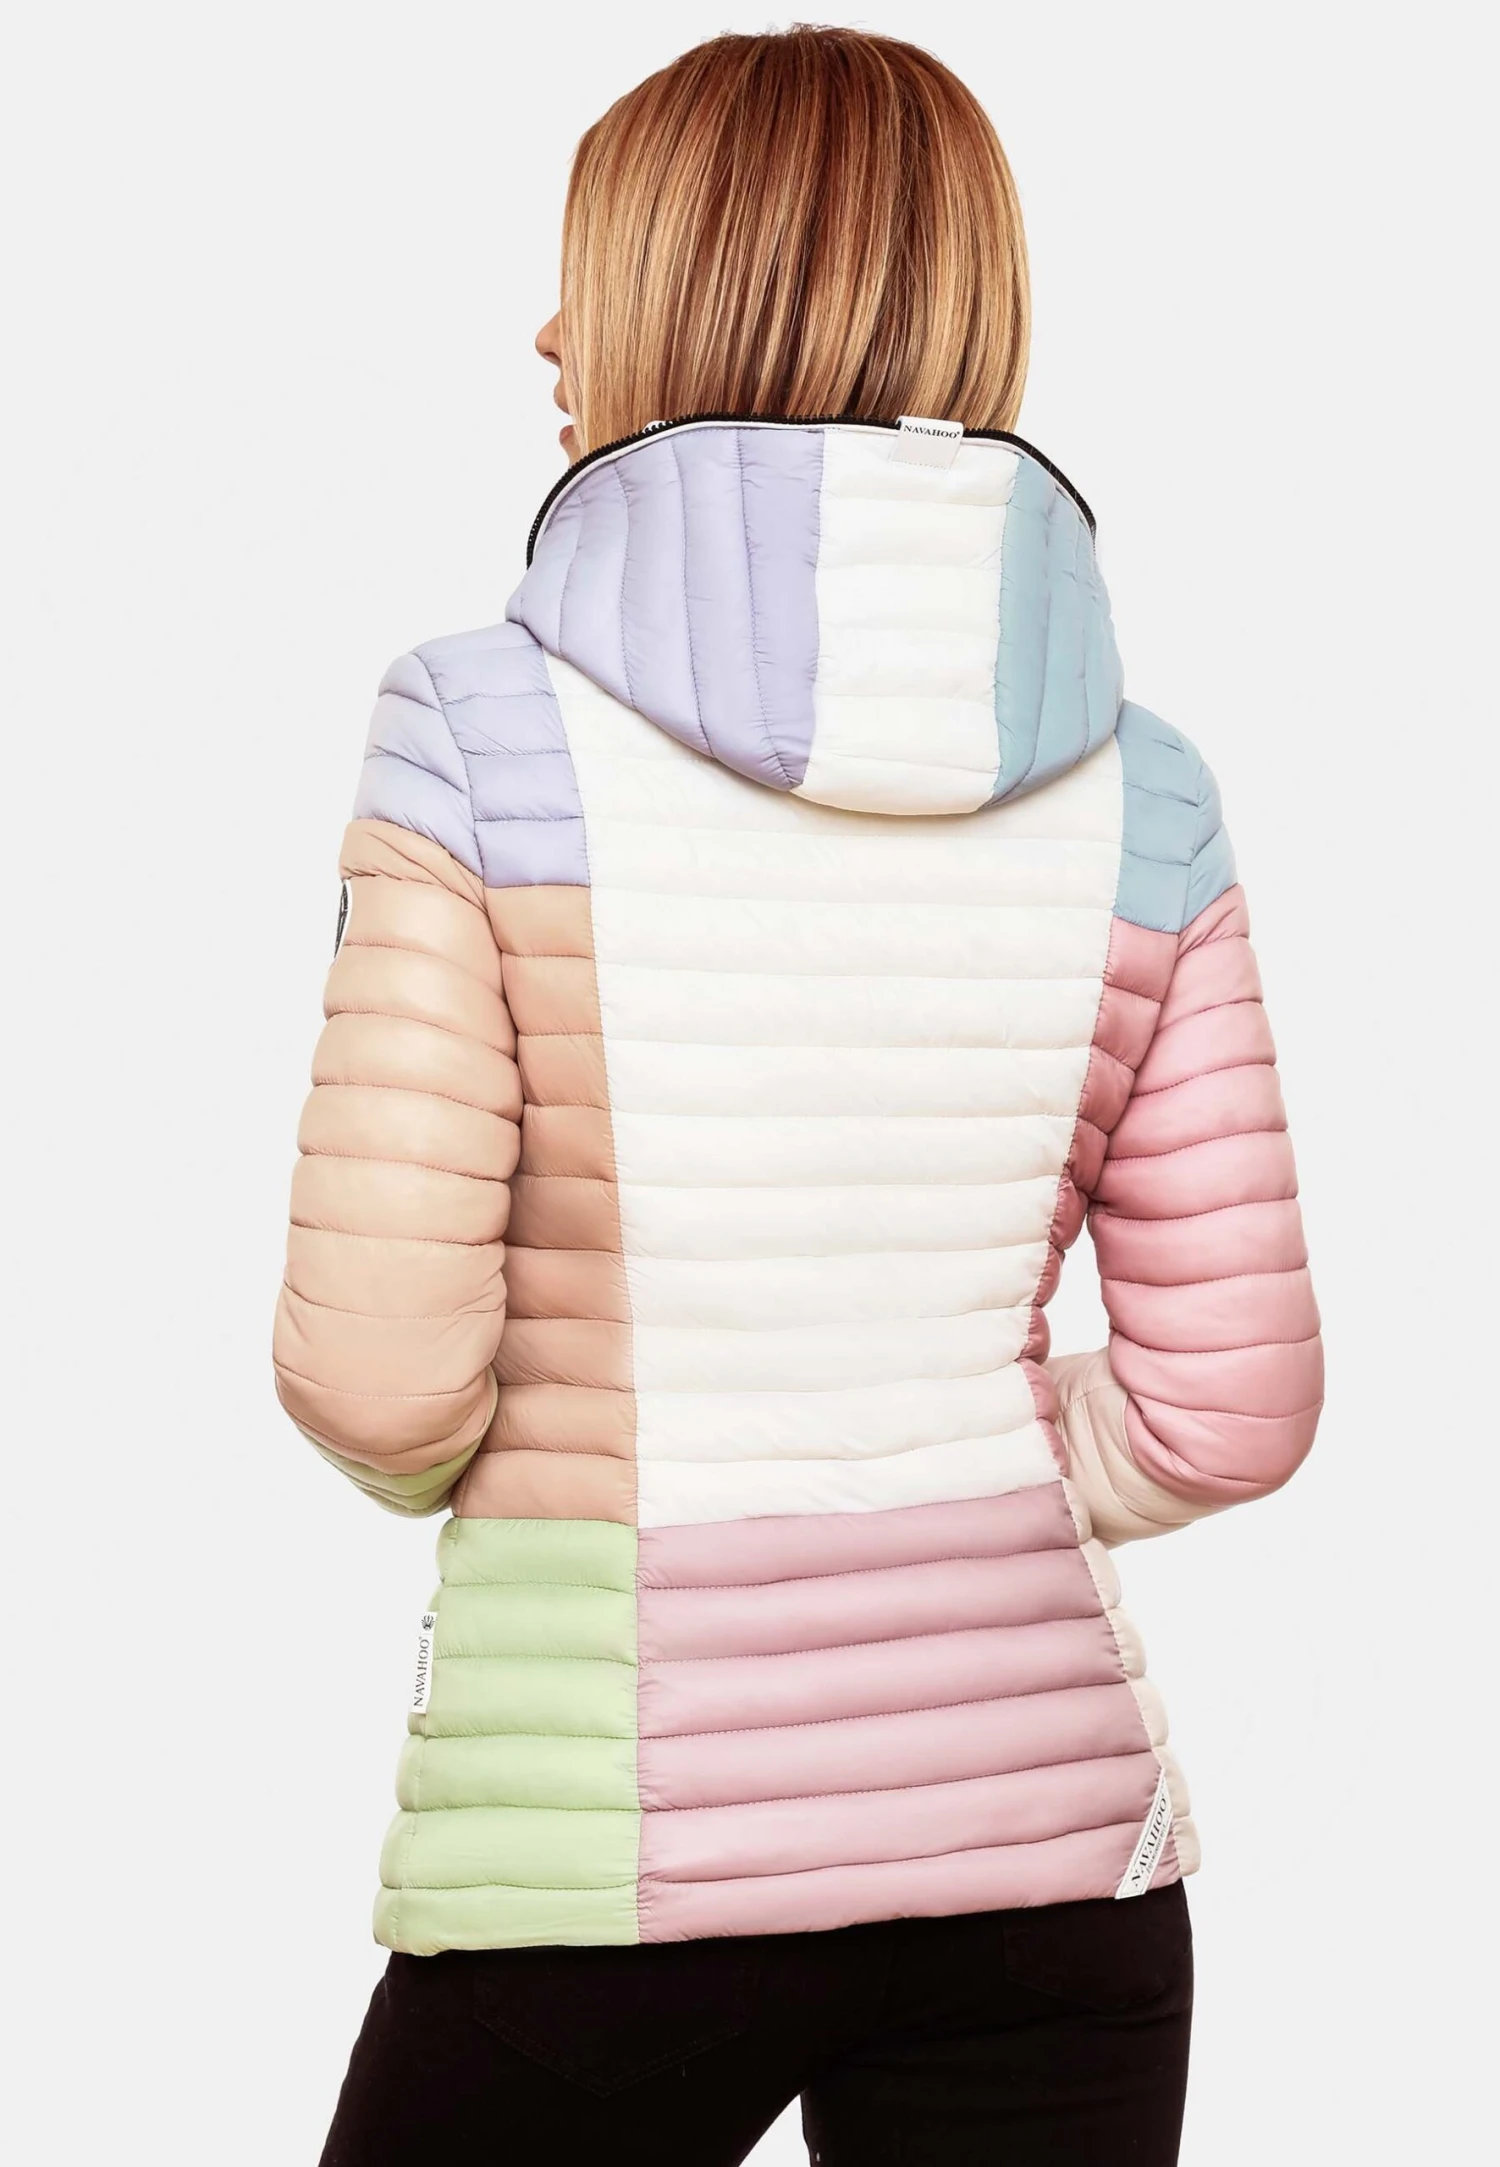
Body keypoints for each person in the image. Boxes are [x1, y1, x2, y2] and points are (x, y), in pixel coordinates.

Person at [275, 27, 1322, 2166]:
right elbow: (1233, 1409)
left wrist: (601, 1461)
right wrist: (938, 1458)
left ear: (688, 285)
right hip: (1057, 1883)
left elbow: (384, 1383)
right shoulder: (1151, 787)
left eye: (587, 271)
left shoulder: (477, 733)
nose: (546, 332)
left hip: (605, 1874)